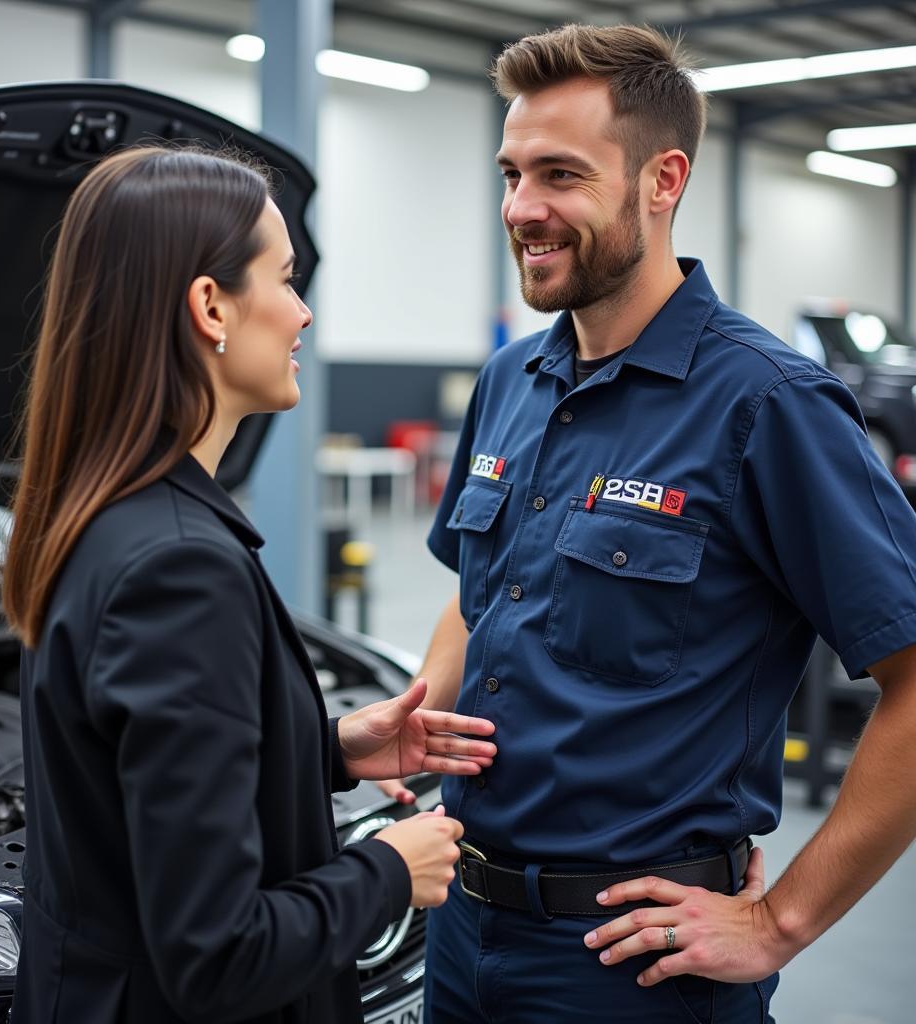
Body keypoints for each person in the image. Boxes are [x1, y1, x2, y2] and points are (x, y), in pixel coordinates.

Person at [384, 22, 916, 1023]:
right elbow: (472, 582)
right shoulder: (511, 379)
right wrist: (419, 714)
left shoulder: (766, 404)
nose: (521, 210)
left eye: (559, 175)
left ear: (661, 181)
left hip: (632, 969)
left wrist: (780, 921)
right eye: (509, 174)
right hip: (457, 922)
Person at [0, 145, 497, 1024]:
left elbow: (131, 790)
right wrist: (390, 868)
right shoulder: (180, 569)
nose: (303, 312)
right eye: (286, 278)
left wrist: (328, 749)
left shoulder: (103, 518)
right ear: (210, 305)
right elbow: (216, 953)